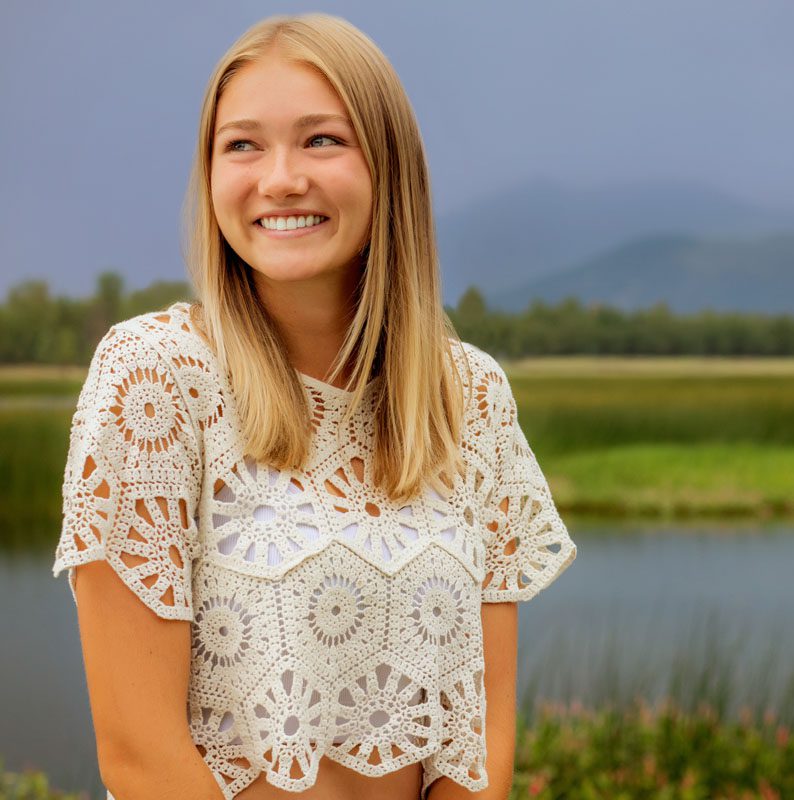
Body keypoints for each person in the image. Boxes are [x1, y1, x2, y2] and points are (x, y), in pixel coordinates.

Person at [51, 13, 577, 800]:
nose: (280, 179)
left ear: (388, 167)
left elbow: (480, 742)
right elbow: (139, 753)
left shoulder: (469, 395)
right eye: (243, 144)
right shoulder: (153, 378)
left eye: (321, 140)